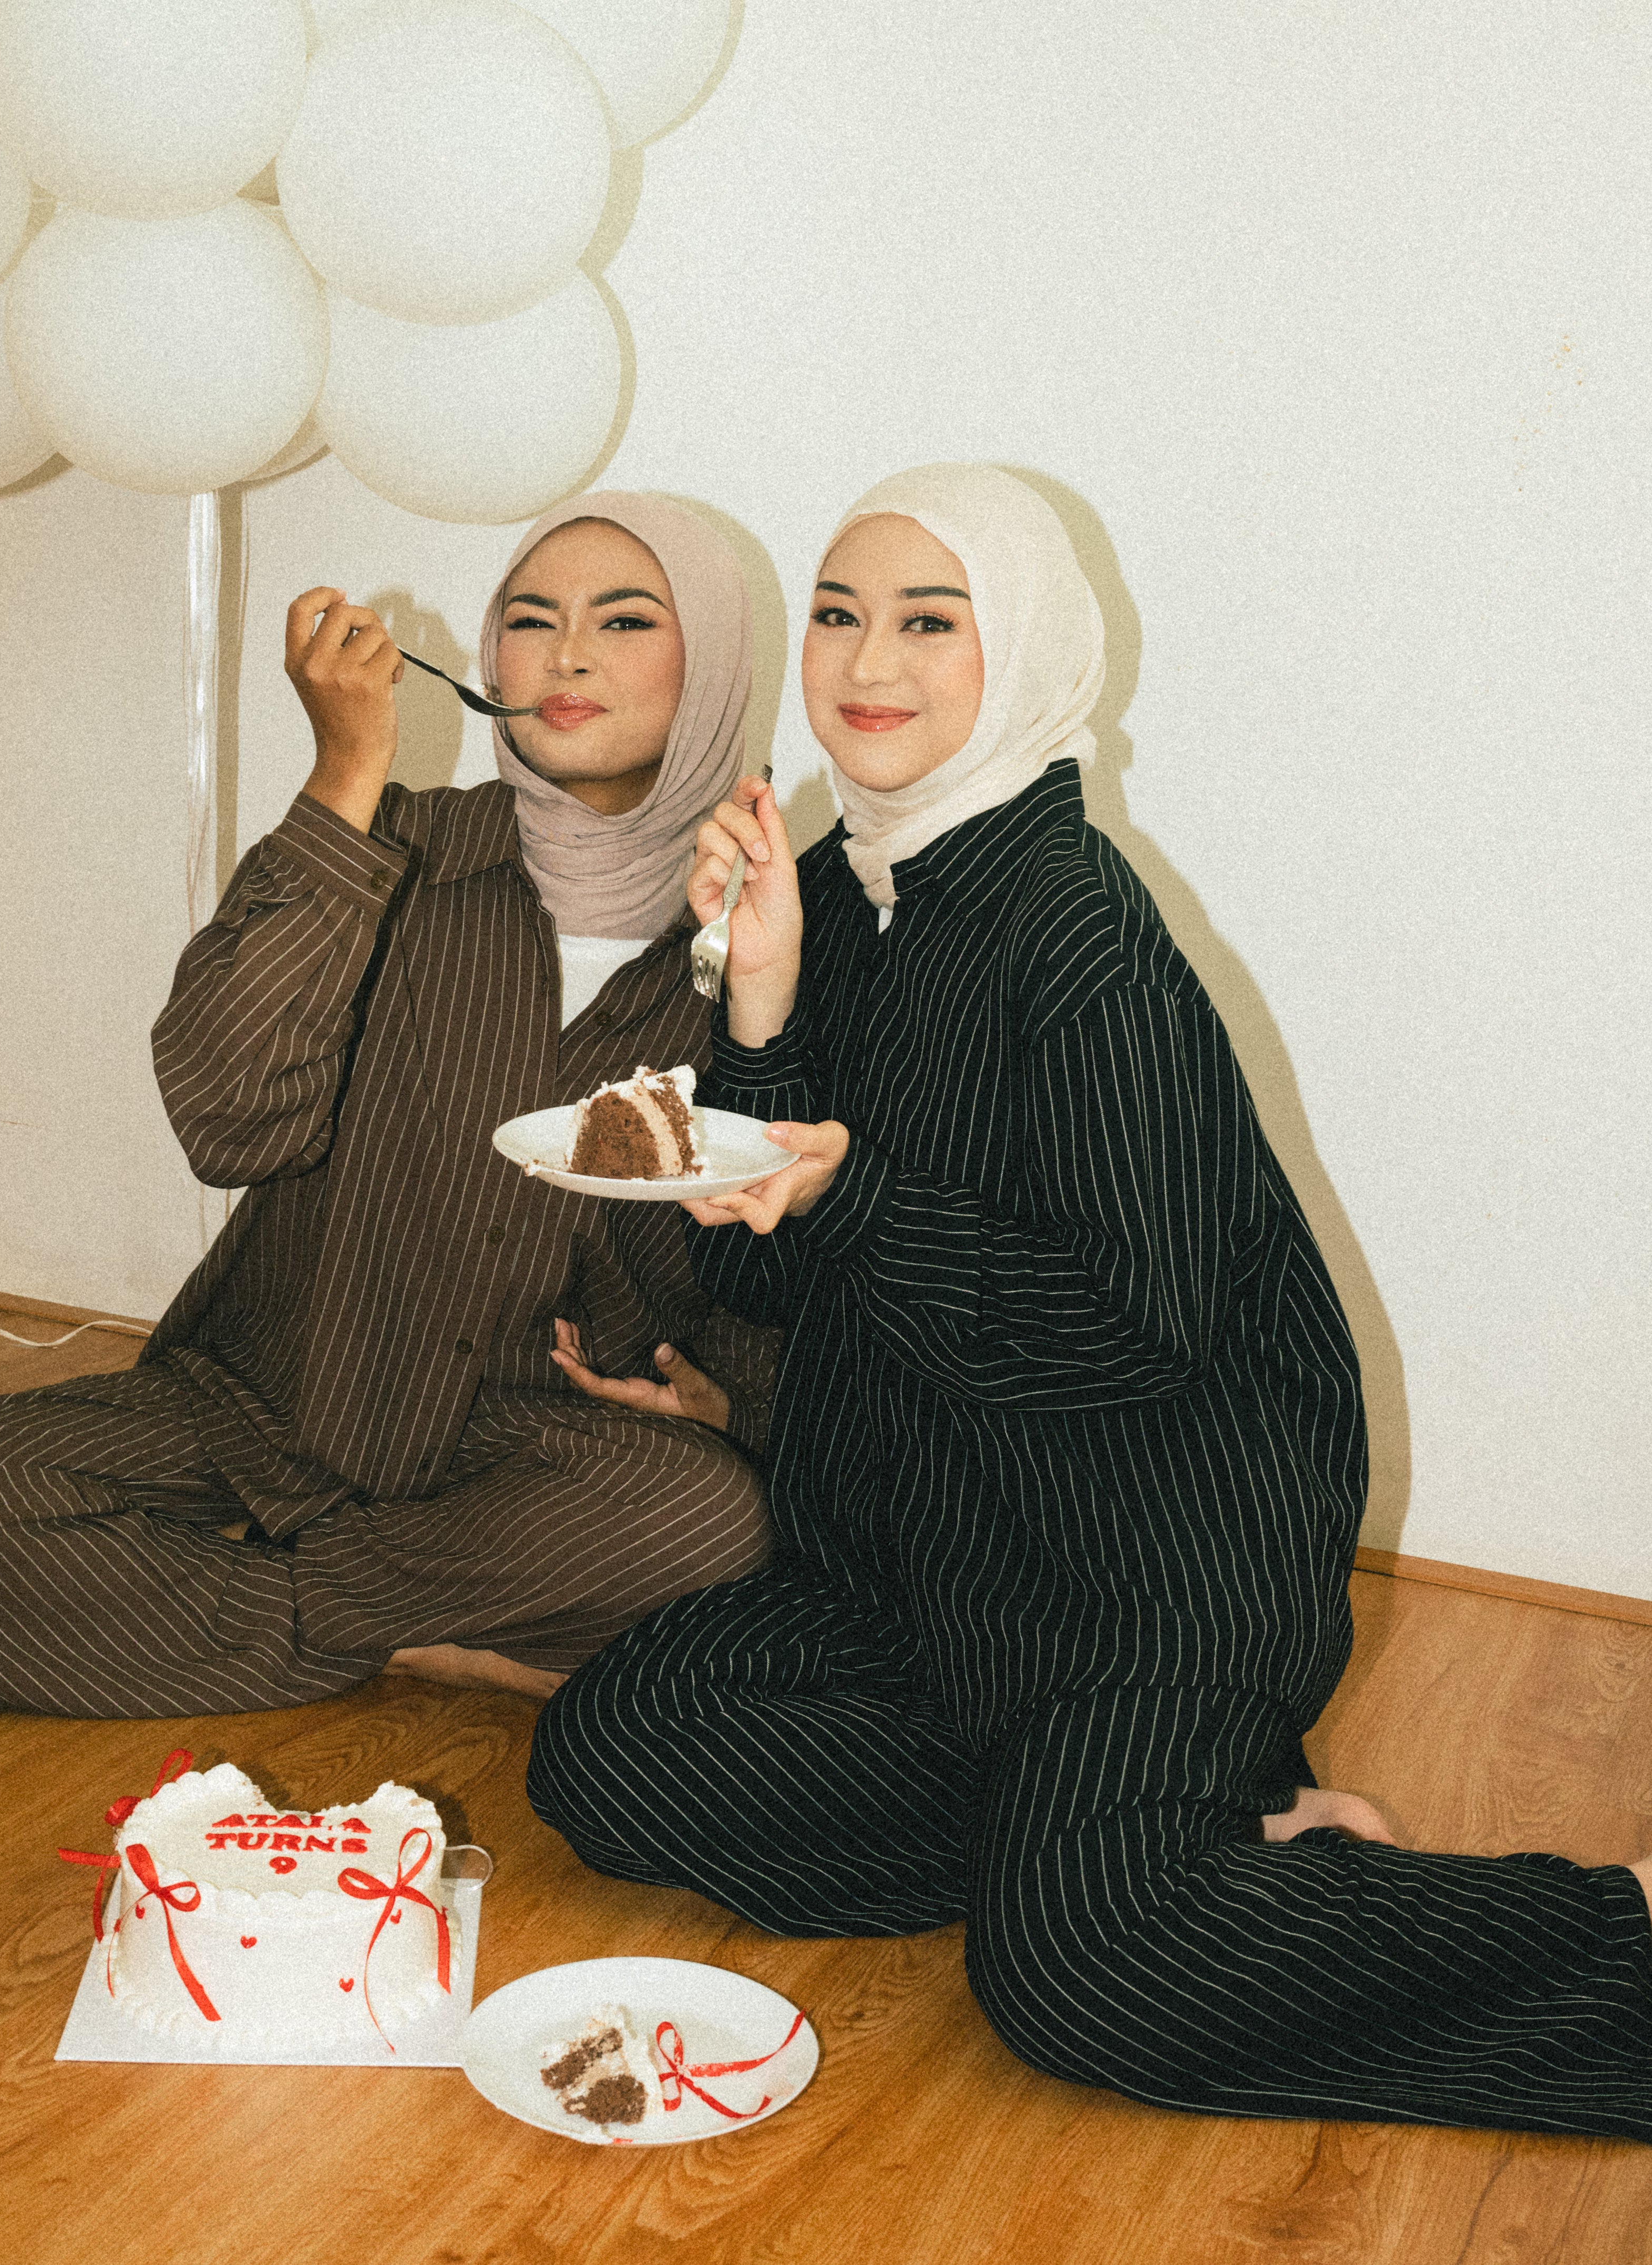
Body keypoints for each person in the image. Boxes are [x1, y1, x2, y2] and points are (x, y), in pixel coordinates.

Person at [530, 463, 1652, 2138]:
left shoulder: (1084, 935)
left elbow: (1129, 1333)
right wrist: (755, 1003)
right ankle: (1178, 1851)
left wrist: (856, 1191)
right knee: (614, 1745)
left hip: (1141, 1579)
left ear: (1029, 650)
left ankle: (1595, 1921)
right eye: (836, 614)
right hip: (926, 1571)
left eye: (928, 618)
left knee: (1072, 1972)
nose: (864, 660)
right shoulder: (830, 894)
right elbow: (745, 1265)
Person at [0, 493, 777, 1718]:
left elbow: (791, 1242)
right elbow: (230, 1123)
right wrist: (343, 773)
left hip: (536, 1445)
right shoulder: (382, 845)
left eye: (626, 620)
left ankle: (244, 1611)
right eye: (531, 619)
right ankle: (412, 1632)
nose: (569, 655)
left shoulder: (768, 928)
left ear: (710, 665)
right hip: (273, 1399)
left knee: (706, 1526)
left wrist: (730, 1402)